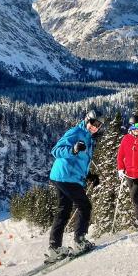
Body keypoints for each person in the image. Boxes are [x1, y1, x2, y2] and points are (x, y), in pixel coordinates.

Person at [46, 110, 103, 262]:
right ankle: (79, 241)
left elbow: (80, 162)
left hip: (65, 176)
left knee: (64, 210)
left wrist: (89, 176)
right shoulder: (75, 132)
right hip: (66, 176)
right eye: (93, 123)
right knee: (85, 206)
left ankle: (55, 247)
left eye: (98, 125)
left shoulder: (89, 138)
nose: (95, 127)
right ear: (86, 120)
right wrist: (73, 149)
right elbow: (56, 150)